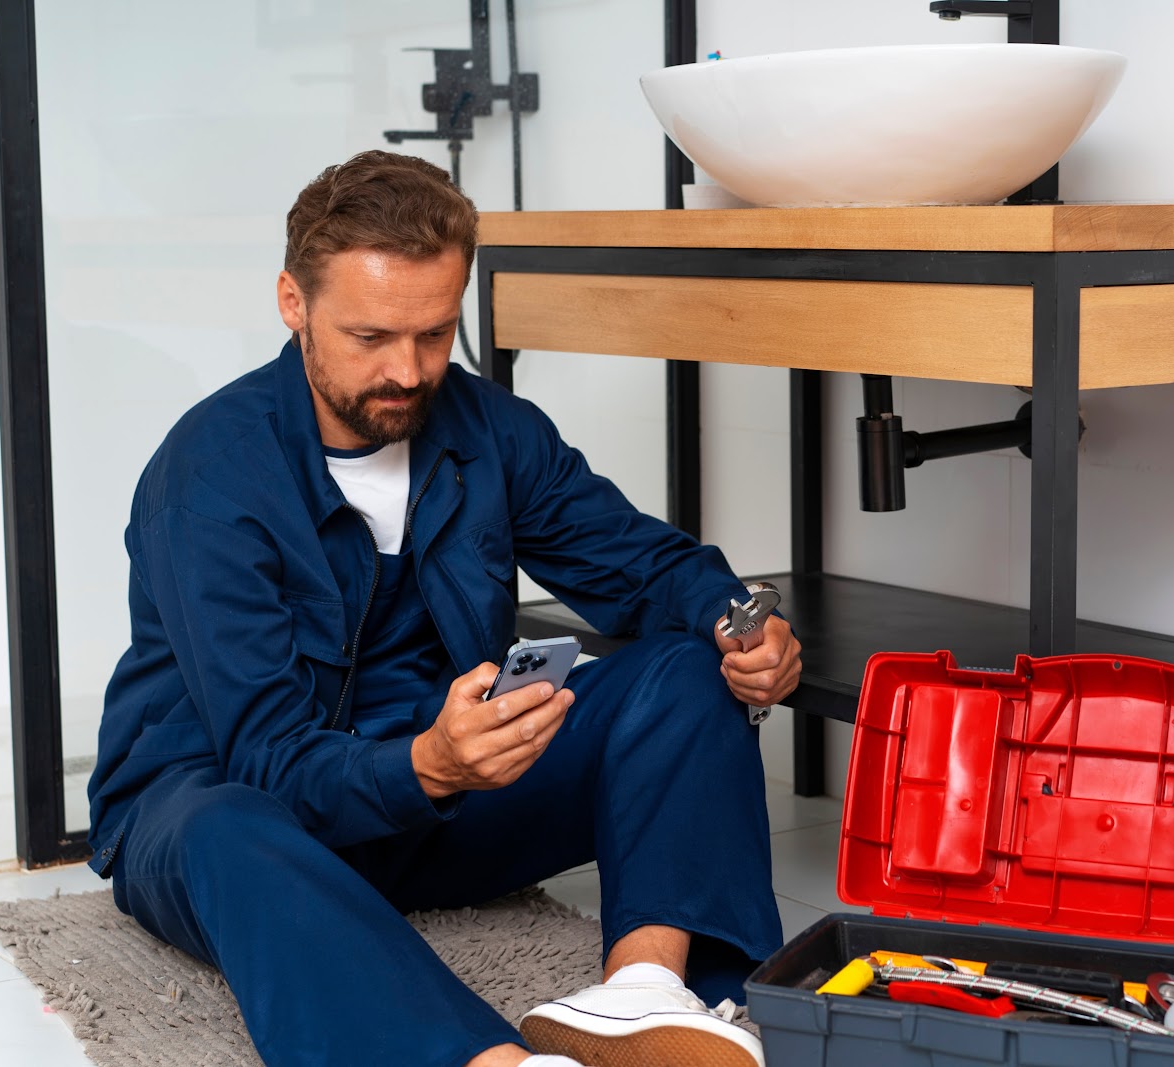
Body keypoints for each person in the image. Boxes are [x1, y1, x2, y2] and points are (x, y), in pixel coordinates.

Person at [85, 149, 803, 1067]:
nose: (409, 370)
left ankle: (646, 991)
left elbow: (643, 565)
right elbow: (266, 757)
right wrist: (427, 762)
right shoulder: (210, 477)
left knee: (688, 663)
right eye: (372, 337)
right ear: (292, 303)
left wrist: (741, 624)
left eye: (434, 333)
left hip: (440, 792)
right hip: (234, 808)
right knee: (229, 825)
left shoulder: (490, 428)